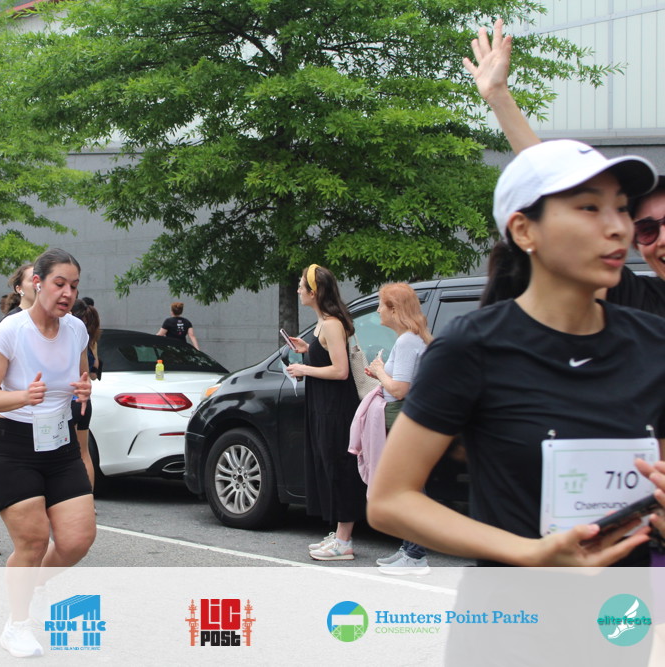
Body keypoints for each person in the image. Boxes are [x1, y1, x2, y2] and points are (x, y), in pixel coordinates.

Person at [368, 139, 665, 567]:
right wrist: (531, 552)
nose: (619, 227)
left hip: (629, 604)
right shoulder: (470, 347)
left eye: (620, 208)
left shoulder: (654, 343)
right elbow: (389, 500)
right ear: (524, 230)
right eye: (589, 207)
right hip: (514, 603)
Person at [465, 18, 665, 315]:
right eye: (647, 230)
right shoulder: (641, 308)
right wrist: (499, 97)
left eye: (620, 208)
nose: (663, 239)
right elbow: (550, 179)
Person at [0, 248, 93, 658]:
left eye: (74, 286)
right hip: (13, 446)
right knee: (34, 539)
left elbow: (81, 376)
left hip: (59, 444)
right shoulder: (12, 330)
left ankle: (31, 586)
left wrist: (84, 388)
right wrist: (23, 396)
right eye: (60, 283)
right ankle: (17, 625)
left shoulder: (76, 329)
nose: (68, 293)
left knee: (78, 539)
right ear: (37, 283)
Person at [285, 264, 365, 561]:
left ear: (314, 292)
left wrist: (304, 368)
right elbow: (328, 357)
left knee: (340, 468)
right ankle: (340, 535)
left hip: (336, 408)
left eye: (301, 286)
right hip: (323, 406)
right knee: (329, 466)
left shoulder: (331, 323)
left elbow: (341, 371)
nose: (298, 290)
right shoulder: (324, 324)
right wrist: (309, 350)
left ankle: (344, 541)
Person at [362, 283, 432, 574]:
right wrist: (381, 373)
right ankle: (409, 548)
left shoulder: (406, 342)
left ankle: (415, 555)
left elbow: (400, 389)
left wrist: (380, 371)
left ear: (394, 310)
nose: (378, 310)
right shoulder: (413, 339)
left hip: (403, 418)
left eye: (382, 305)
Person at [0, 263, 36, 556]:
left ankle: (37, 535)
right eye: (32, 279)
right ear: (19, 288)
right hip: (9, 410)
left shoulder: (57, 321)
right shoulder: (11, 323)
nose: (38, 283)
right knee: (0, 476)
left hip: (42, 414)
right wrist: (3, 399)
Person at [70, 299, 102, 489]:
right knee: (84, 453)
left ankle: (72, 497)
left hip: (69, 398)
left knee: (66, 455)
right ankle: (88, 498)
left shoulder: (67, 335)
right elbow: (94, 368)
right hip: (84, 399)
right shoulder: (90, 340)